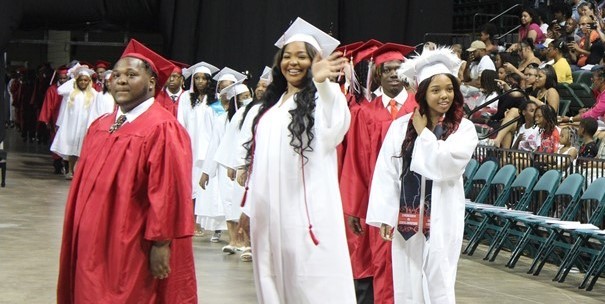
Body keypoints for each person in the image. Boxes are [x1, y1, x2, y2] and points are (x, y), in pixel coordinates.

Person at [56, 39, 197, 303]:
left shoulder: (162, 128)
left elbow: (168, 193)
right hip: (93, 242)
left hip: (130, 241)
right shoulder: (101, 125)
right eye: (117, 75)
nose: (121, 80)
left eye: (132, 75)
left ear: (152, 82)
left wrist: (161, 244)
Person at [236, 17, 356, 303]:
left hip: (307, 215)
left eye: (302, 56)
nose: (293, 62)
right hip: (269, 214)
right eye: (287, 56)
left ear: (315, 61)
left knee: (311, 284)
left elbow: (335, 126)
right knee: (271, 281)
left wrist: (323, 82)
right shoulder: (271, 108)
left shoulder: (323, 99)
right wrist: (247, 209)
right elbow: (259, 165)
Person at [366, 47, 478, 304]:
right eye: (436, 90)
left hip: (443, 214)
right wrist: (385, 214)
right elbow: (387, 171)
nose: (444, 96)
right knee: (408, 279)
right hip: (407, 217)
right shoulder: (400, 128)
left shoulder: (464, 129)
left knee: (439, 278)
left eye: (449, 89)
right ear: (423, 92)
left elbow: (444, 165)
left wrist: (424, 134)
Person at [340, 42, 416, 304]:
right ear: (378, 75)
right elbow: (356, 163)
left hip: (414, 200)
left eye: (399, 69)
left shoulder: (419, 110)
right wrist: (355, 208)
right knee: (378, 261)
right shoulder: (365, 114)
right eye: (388, 70)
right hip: (378, 200)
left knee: (411, 263)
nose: (394, 73)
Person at [177, 61, 220, 237]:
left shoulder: (215, 100)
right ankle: (191, 222)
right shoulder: (186, 98)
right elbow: (181, 122)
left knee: (206, 187)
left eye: (204, 78)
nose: (201, 81)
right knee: (191, 185)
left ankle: (206, 223)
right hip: (191, 148)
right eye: (197, 78)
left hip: (209, 150)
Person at [50, 65, 98, 179]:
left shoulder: (93, 94)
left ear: (89, 81)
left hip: (85, 125)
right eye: (80, 80)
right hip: (72, 126)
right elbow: (60, 90)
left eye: (86, 80)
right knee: (72, 150)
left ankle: (80, 173)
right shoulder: (72, 92)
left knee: (83, 150)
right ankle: (71, 171)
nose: (83, 82)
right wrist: (73, 76)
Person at [38, 65, 69, 174]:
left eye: (64, 78)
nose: (62, 80)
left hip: (68, 120)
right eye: (60, 78)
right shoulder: (52, 90)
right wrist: (47, 120)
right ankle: (57, 164)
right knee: (55, 141)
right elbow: (48, 105)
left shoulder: (71, 90)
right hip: (55, 120)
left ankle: (66, 165)